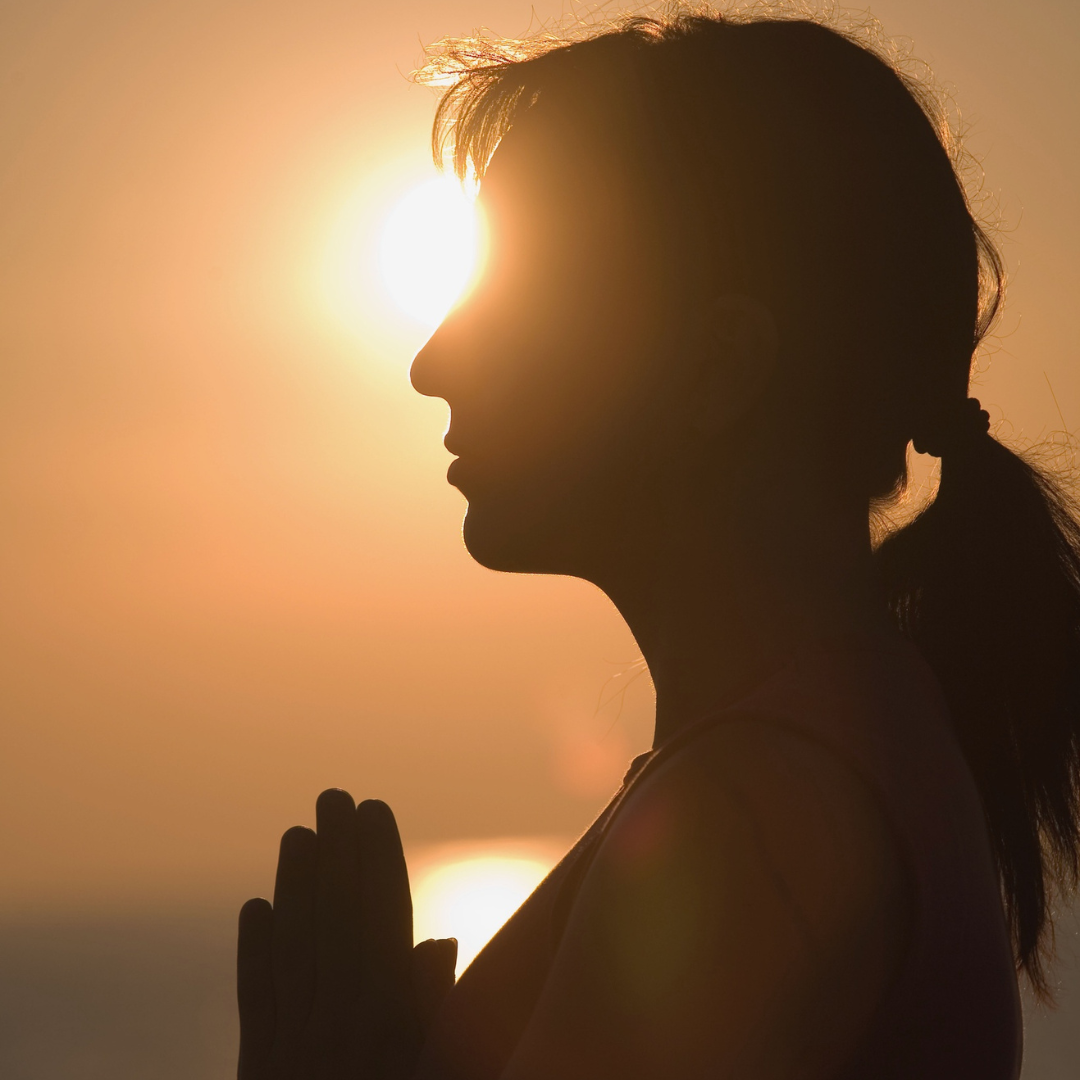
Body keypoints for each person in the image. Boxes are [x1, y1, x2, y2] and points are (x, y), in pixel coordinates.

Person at [235, 10, 1080, 1078]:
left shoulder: (755, 814)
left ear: (716, 369)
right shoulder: (802, 755)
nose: (432, 361)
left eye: (515, 291)